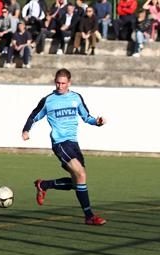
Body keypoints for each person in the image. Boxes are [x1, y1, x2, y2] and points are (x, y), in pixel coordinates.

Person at [21, 68, 106, 226]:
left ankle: (44, 185)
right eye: (57, 83)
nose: (60, 86)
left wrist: (97, 122)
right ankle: (89, 216)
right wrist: (26, 130)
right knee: (80, 174)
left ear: (69, 83)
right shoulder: (48, 100)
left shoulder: (76, 98)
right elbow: (34, 115)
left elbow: (87, 117)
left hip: (73, 144)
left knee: (77, 183)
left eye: (63, 83)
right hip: (59, 143)